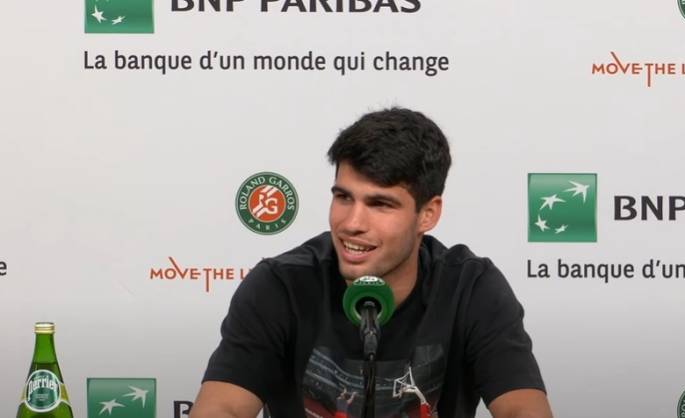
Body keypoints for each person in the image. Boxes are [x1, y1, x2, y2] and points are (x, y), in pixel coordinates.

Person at [191, 108, 553, 418]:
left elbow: (523, 409)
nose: (352, 223)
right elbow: (222, 407)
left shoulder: (471, 288)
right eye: (343, 197)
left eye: (380, 204)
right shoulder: (281, 285)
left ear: (428, 214)